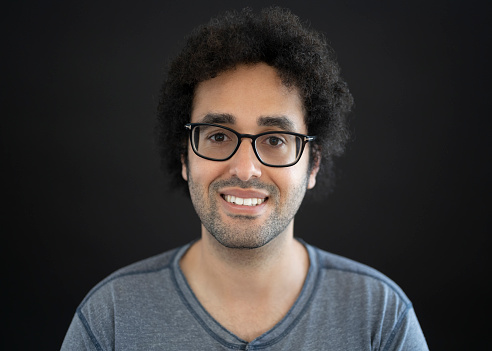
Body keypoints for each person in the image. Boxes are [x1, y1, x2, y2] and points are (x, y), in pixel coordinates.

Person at [62, 7, 428, 350]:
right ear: (184, 156)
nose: (244, 169)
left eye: (274, 140)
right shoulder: (110, 319)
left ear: (312, 164)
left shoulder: (381, 319)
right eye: (218, 136)